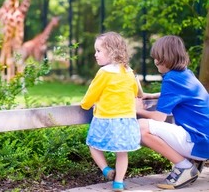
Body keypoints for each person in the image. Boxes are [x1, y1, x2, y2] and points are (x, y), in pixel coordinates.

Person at [137, 35, 209, 190]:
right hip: (204, 141)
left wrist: (137, 110)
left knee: (141, 128)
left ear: (165, 58)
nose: (155, 61)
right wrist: (154, 95)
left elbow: (159, 118)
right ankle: (192, 162)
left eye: (157, 58)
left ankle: (185, 167)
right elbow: (181, 94)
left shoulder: (171, 79)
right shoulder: (185, 74)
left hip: (198, 141)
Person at [80, 31, 141, 192]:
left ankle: (106, 170)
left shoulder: (104, 72)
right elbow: (135, 91)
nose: (95, 54)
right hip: (127, 120)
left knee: (93, 145)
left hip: (105, 119)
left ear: (111, 51)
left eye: (98, 51)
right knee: (122, 153)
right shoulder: (128, 71)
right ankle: (118, 182)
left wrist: (85, 105)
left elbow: (92, 93)